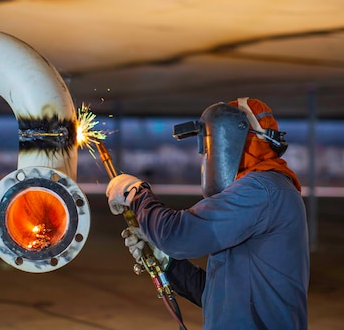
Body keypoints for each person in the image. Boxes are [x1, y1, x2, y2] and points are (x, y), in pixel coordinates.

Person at [105, 97, 309, 330]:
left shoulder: (260, 191)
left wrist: (136, 194)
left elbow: (177, 236)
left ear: (230, 139)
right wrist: (169, 264)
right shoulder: (264, 191)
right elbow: (218, 298)